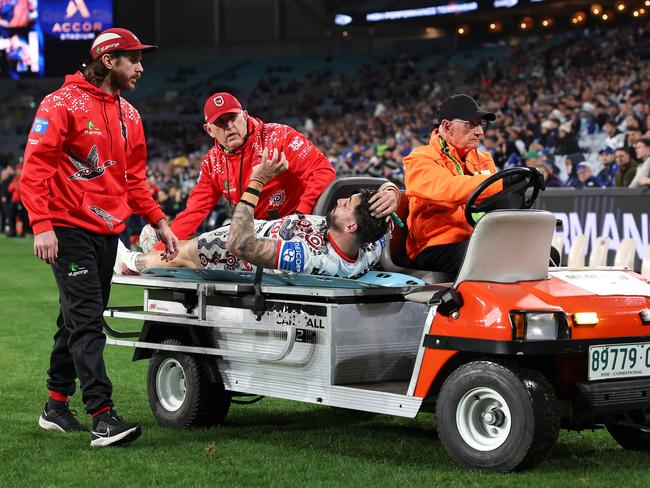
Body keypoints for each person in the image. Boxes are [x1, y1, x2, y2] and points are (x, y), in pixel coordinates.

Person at [20, 28, 180, 447]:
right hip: (68, 227)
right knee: (88, 319)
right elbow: (34, 172)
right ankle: (102, 415)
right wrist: (42, 225)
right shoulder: (59, 104)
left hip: (109, 232)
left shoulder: (130, 114)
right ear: (108, 60)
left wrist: (160, 221)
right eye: (133, 59)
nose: (141, 67)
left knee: (72, 318)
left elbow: (134, 181)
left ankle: (56, 404)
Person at [141, 91, 399, 251]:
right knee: (204, 246)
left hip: (291, 231)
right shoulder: (212, 162)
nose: (230, 126)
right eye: (221, 122)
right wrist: (167, 245)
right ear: (209, 130)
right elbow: (195, 210)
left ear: (244, 114)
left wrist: (298, 218)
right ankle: (154, 251)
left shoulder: (279, 137)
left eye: (233, 118)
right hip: (253, 233)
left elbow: (322, 172)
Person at [116, 149, 391, 279]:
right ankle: (152, 252)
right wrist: (391, 190)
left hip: (241, 250)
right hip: (264, 230)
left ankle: (134, 263)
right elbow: (390, 221)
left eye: (347, 204)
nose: (340, 200)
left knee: (185, 256)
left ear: (352, 226)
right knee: (182, 249)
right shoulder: (369, 245)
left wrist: (256, 183)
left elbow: (241, 244)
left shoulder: (311, 257)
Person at [403, 94, 504, 276]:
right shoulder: (420, 159)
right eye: (472, 124)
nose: (480, 131)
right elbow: (447, 188)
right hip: (434, 245)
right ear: (447, 127)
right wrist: (499, 184)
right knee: (487, 258)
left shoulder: (484, 160)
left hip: (474, 240)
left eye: (481, 124)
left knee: (542, 253)